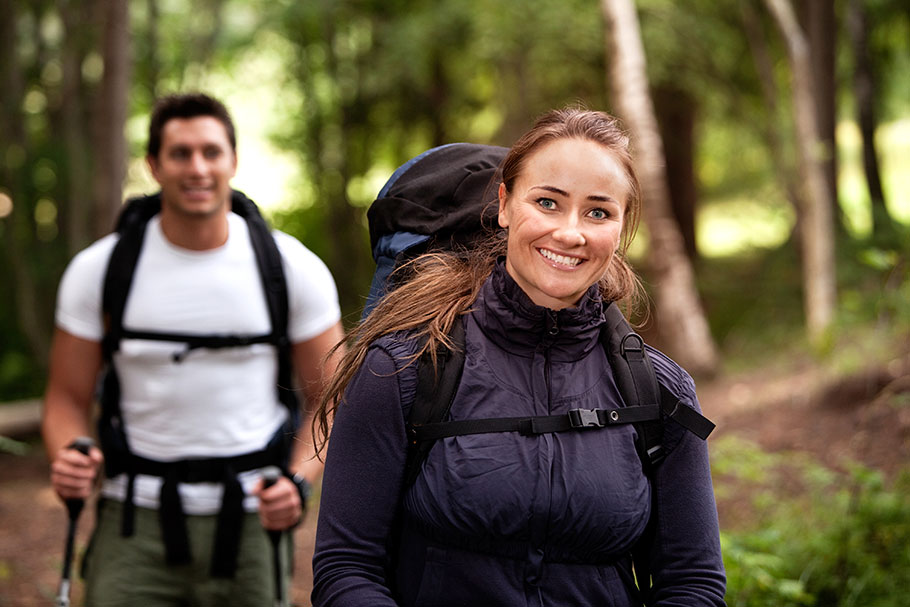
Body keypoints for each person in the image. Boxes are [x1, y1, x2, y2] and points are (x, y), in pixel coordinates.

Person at [310, 108, 726, 606]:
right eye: (548, 202)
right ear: (505, 204)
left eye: (598, 211)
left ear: (621, 227)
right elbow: (346, 569)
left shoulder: (659, 391)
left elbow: (694, 584)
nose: (571, 233)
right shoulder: (403, 369)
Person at [42, 92, 345, 605]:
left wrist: (298, 484)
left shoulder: (292, 268)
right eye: (180, 154)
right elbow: (66, 399)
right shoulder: (100, 270)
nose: (197, 168)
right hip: (132, 520)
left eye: (211, 151)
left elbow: (331, 398)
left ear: (234, 160)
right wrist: (71, 456)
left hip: (251, 524)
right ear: (154, 165)